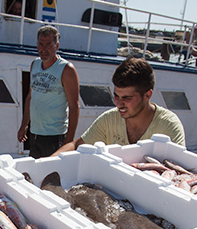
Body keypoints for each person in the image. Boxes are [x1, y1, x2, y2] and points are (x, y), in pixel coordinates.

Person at [51, 57, 185, 156]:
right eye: (116, 96)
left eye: (127, 98)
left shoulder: (169, 126)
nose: (118, 104)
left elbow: (177, 170)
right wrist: (45, 163)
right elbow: (76, 145)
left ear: (147, 95)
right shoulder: (109, 119)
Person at [17, 26, 80, 158]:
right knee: (35, 173)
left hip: (55, 136)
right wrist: (24, 125)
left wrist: (69, 140)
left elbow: (74, 106)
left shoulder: (66, 69)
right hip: (35, 134)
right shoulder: (34, 64)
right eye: (40, 44)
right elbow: (30, 96)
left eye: (48, 45)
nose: (43, 49)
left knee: (53, 176)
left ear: (56, 46)